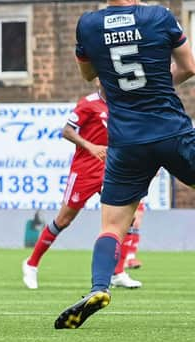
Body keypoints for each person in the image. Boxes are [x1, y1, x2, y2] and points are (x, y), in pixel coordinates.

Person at [54, 0, 195, 329]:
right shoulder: (159, 17)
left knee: (112, 227)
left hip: (126, 141)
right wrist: (162, 81)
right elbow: (190, 66)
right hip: (171, 130)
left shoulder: (87, 25)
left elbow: (88, 77)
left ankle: (100, 286)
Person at [22, 81, 141, 290]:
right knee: (64, 219)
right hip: (85, 171)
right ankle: (31, 264)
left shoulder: (123, 104)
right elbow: (67, 131)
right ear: (98, 80)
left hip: (111, 170)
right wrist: (90, 146)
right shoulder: (89, 104)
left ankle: (117, 272)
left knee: (126, 218)